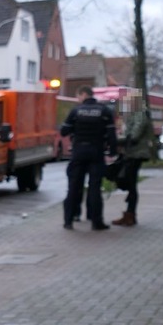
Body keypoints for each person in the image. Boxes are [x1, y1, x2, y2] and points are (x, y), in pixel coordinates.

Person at [60, 86, 118, 230]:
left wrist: (75, 129)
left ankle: (69, 220)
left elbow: (64, 131)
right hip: (96, 152)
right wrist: (112, 152)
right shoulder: (105, 111)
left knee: (74, 187)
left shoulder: (75, 111)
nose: (78, 99)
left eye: (78, 96)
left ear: (83, 94)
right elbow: (111, 135)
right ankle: (96, 221)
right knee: (95, 188)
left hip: (79, 151)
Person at [112, 103, 157, 226]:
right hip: (132, 153)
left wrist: (115, 140)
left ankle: (130, 215)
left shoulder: (139, 116)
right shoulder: (135, 115)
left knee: (131, 183)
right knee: (130, 183)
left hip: (136, 154)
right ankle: (129, 214)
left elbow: (134, 136)